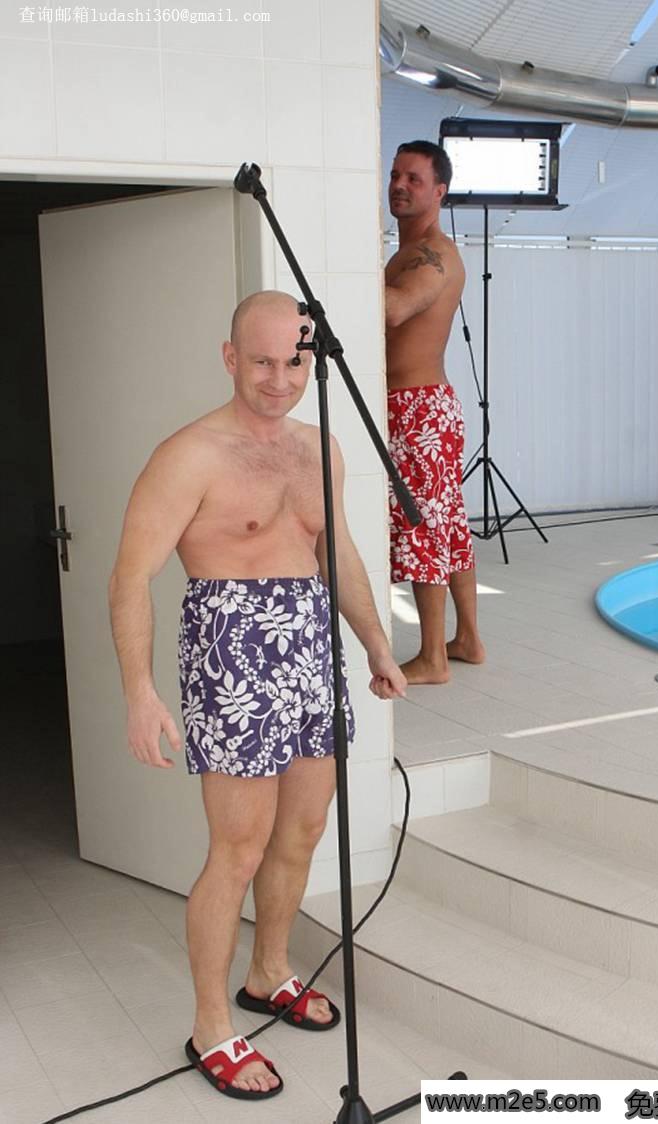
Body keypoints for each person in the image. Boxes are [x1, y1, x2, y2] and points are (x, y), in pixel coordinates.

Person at [109, 291, 406, 1101]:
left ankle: (269, 972)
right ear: (230, 358)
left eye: (295, 362)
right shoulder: (189, 455)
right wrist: (139, 692)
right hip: (232, 656)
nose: (280, 379)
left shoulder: (320, 448)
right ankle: (212, 1026)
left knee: (303, 830)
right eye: (264, 361)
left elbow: (337, 549)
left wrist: (376, 644)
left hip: (311, 647)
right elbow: (131, 576)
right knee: (237, 850)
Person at [384, 140, 485, 685]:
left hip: (417, 407)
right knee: (446, 524)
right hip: (423, 406)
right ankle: (467, 638)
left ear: (439, 191)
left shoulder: (432, 255)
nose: (399, 185)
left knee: (424, 526)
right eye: (395, 175)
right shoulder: (409, 251)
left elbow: (397, 308)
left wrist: (345, 266)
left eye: (414, 179)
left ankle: (432, 657)